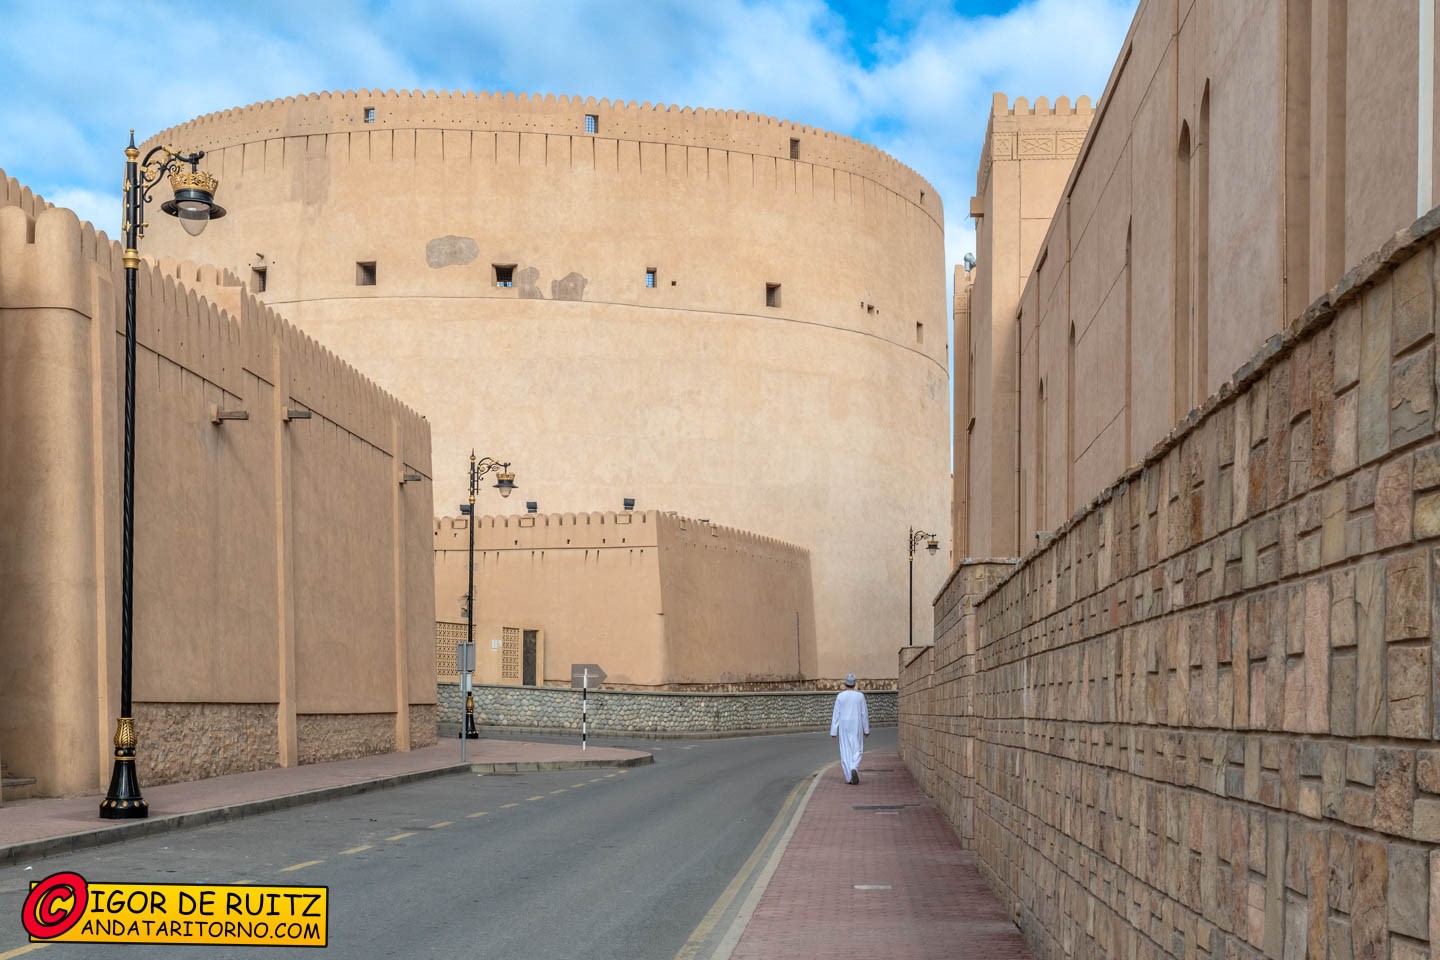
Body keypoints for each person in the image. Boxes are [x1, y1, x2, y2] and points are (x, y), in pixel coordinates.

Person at [830, 673, 869, 784]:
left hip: (844, 726)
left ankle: (849, 777)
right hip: (856, 724)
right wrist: (866, 729)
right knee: (858, 749)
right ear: (855, 684)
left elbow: (836, 714)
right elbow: (864, 713)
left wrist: (833, 731)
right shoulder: (860, 696)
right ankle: (854, 767)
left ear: (845, 683)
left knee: (845, 750)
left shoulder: (840, 696)